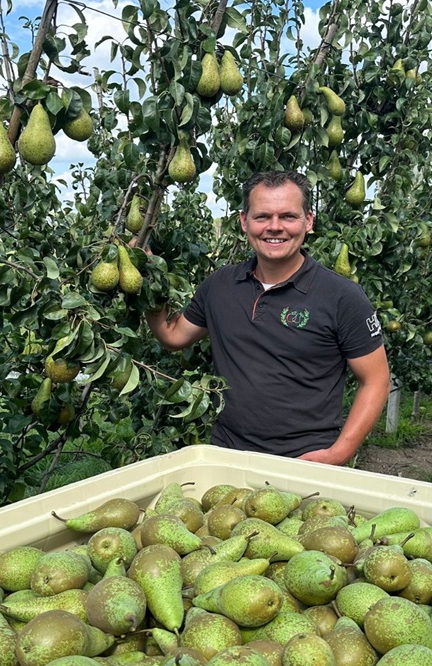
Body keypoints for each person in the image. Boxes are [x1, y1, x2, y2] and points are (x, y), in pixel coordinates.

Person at [144, 170, 391, 465]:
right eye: (262, 217)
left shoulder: (341, 296)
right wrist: (147, 282)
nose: (275, 227)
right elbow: (173, 336)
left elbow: (376, 380)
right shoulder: (219, 285)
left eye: (288, 216)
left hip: (306, 460)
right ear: (244, 221)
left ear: (308, 221)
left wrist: (338, 453)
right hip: (228, 455)